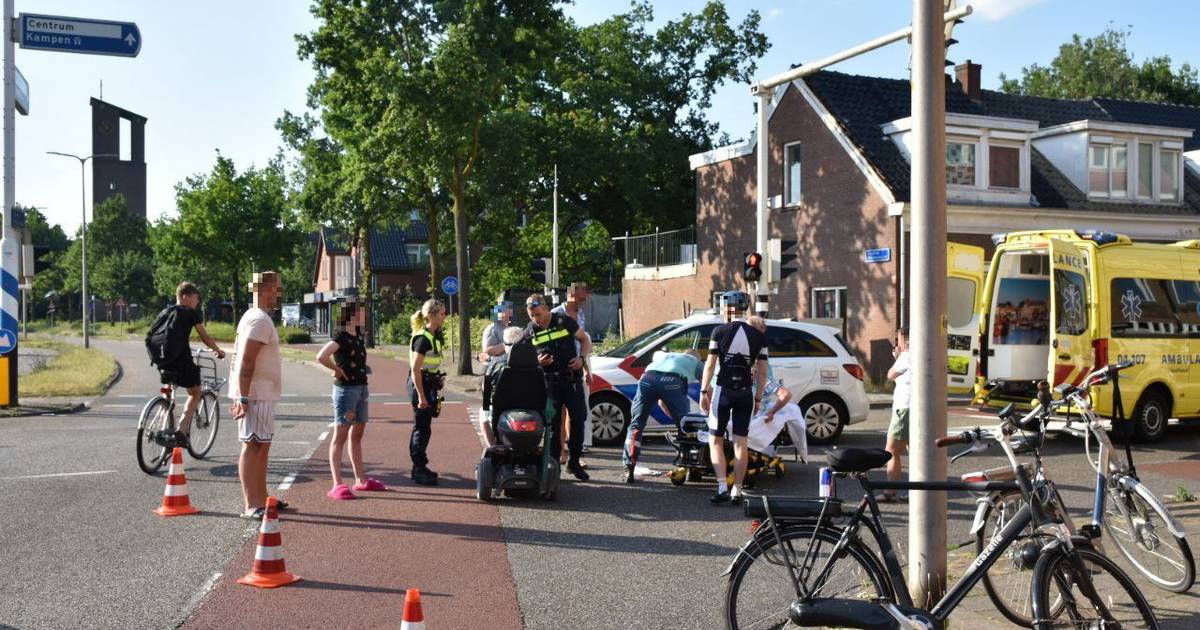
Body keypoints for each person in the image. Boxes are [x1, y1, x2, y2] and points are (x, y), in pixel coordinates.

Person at [699, 291, 768, 505]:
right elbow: (763, 372)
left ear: (728, 308)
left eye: (722, 307)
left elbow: (710, 365)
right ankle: (737, 490)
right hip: (746, 393)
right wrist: (758, 399)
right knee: (741, 443)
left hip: (723, 390)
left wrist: (703, 391)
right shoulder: (759, 336)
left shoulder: (719, 331)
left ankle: (721, 487)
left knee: (715, 440)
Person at [230, 271, 285, 520]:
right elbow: (247, 360)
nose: (280, 294)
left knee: (262, 444)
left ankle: (262, 497)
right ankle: (251, 503)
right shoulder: (259, 320)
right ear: (264, 290)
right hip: (255, 393)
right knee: (252, 444)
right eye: (277, 289)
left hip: (260, 392)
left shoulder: (253, 317)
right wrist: (243, 397)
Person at [317, 298, 386, 500]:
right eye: (362, 313)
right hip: (346, 391)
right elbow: (321, 356)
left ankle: (360, 480)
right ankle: (337, 483)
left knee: (357, 435)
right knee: (340, 435)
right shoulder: (341, 337)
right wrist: (336, 370)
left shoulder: (357, 335)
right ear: (352, 314)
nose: (365, 316)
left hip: (361, 388)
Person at [523, 293, 592, 481]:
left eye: (537, 314)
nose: (535, 318)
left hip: (571, 379)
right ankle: (553, 467)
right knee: (553, 426)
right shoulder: (530, 330)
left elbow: (585, 340)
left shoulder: (564, 321)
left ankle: (574, 462)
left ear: (546, 309)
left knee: (578, 419)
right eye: (531, 315)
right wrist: (537, 361)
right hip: (548, 383)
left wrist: (581, 359)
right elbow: (522, 356)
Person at [153, 282, 226, 447]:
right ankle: (181, 430)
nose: (197, 302)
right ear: (185, 297)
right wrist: (218, 350)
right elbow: (205, 337)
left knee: (169, 387)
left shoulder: (165, 312)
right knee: (195, 392)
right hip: (180, 359)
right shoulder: (190, 313)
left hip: (162, 359)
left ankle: (163, 422)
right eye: (195, 298)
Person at [621, 349, 703, 483]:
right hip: (673, 381)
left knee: (636, 425)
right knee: (685, 426)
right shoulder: (696, 362)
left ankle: (628, 467)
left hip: (647, 378)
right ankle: (689, 468)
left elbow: (661, 401)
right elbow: (708, 387)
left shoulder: (667, 357)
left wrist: (673, 416)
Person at [551, 283, 593, 462]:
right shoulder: (555, 314)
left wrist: (585, 367)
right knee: (559, 413)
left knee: (574, 413)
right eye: (583, 297)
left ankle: (573, 453)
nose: (585, 300)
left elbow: (583, 342)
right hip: (558, 368)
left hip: (576, 367)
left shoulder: (581, 314)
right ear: (572, 294)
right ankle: (560, 452)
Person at [408, 299, 447, 486]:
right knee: (421, 429)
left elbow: (428, 366)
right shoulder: (423, 338)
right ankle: (418, 469)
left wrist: (436, 379)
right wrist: (421, 396)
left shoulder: (434, 335)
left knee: (424, 428)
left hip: (426, 384)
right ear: (432, 315)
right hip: (419, 386)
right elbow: (415, 369)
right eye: (442, 313)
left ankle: (419, 467)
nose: (444, 316)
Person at [479, 325, 526, 449]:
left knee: (483, 416)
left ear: (504, 346)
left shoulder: (495, 367)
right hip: (530, 410)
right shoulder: (536, 365)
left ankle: (493, 448)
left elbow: (486, 393)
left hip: (501, 411)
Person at [879, 328, 910, 502]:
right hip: (916, 407)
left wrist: (897, 356)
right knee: (916, 451)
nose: (896, 344)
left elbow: (890, 374)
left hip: (905, 408)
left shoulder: (906, 355)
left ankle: (890, 492)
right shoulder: (922, 352)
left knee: (891, 451)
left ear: (904, 340)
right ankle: (919, 492)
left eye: (897, 340)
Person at [479, 299, 513, 367]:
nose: (510, 312)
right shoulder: (492, 329)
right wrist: (506, 345)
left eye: (510, 310)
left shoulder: (510, 327)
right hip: (496, 368)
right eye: (507, 310)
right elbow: (486, 352)